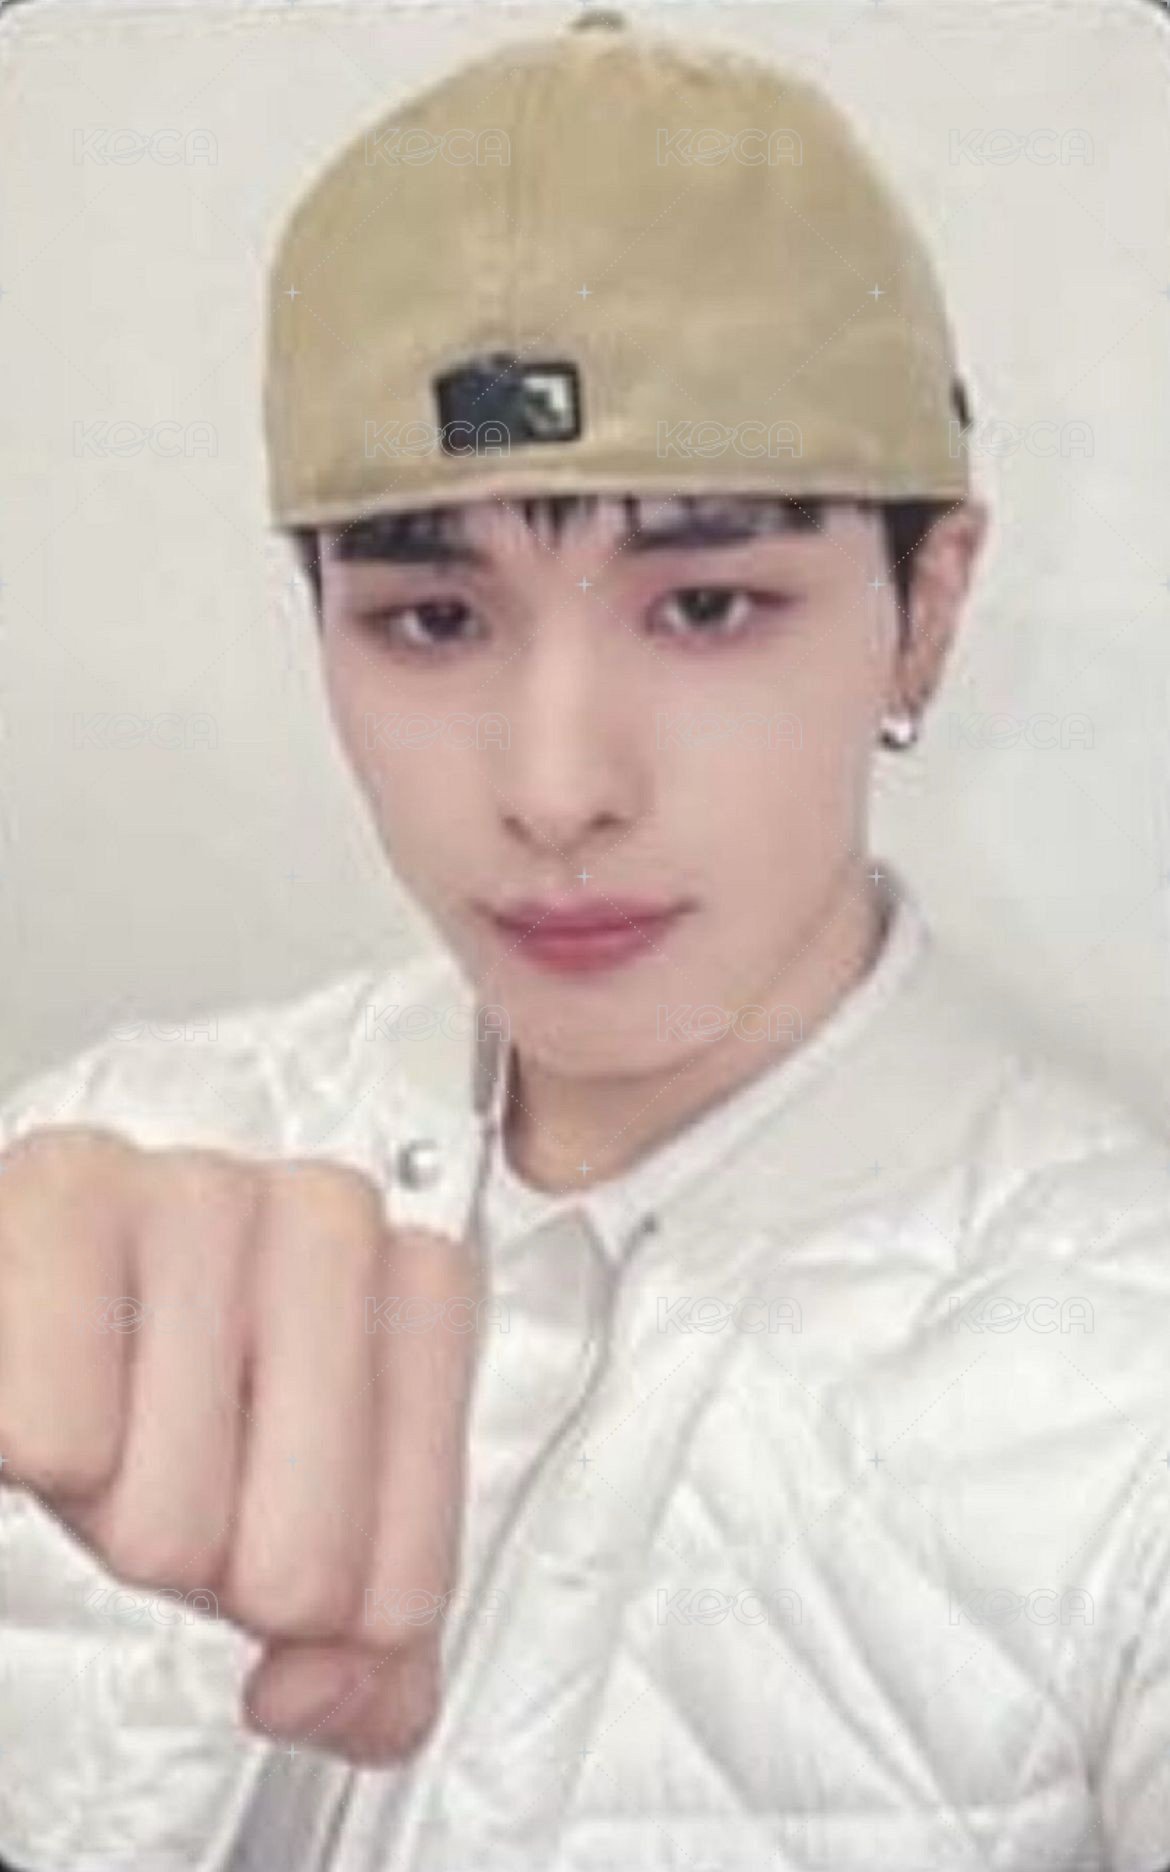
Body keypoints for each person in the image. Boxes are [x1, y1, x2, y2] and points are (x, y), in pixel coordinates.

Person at [1, 11, 1168, 1871]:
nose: (554, 790)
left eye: (705, 605)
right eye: (431, 620)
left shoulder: (1126, 1377)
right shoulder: (104, 1163)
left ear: (926, 606)